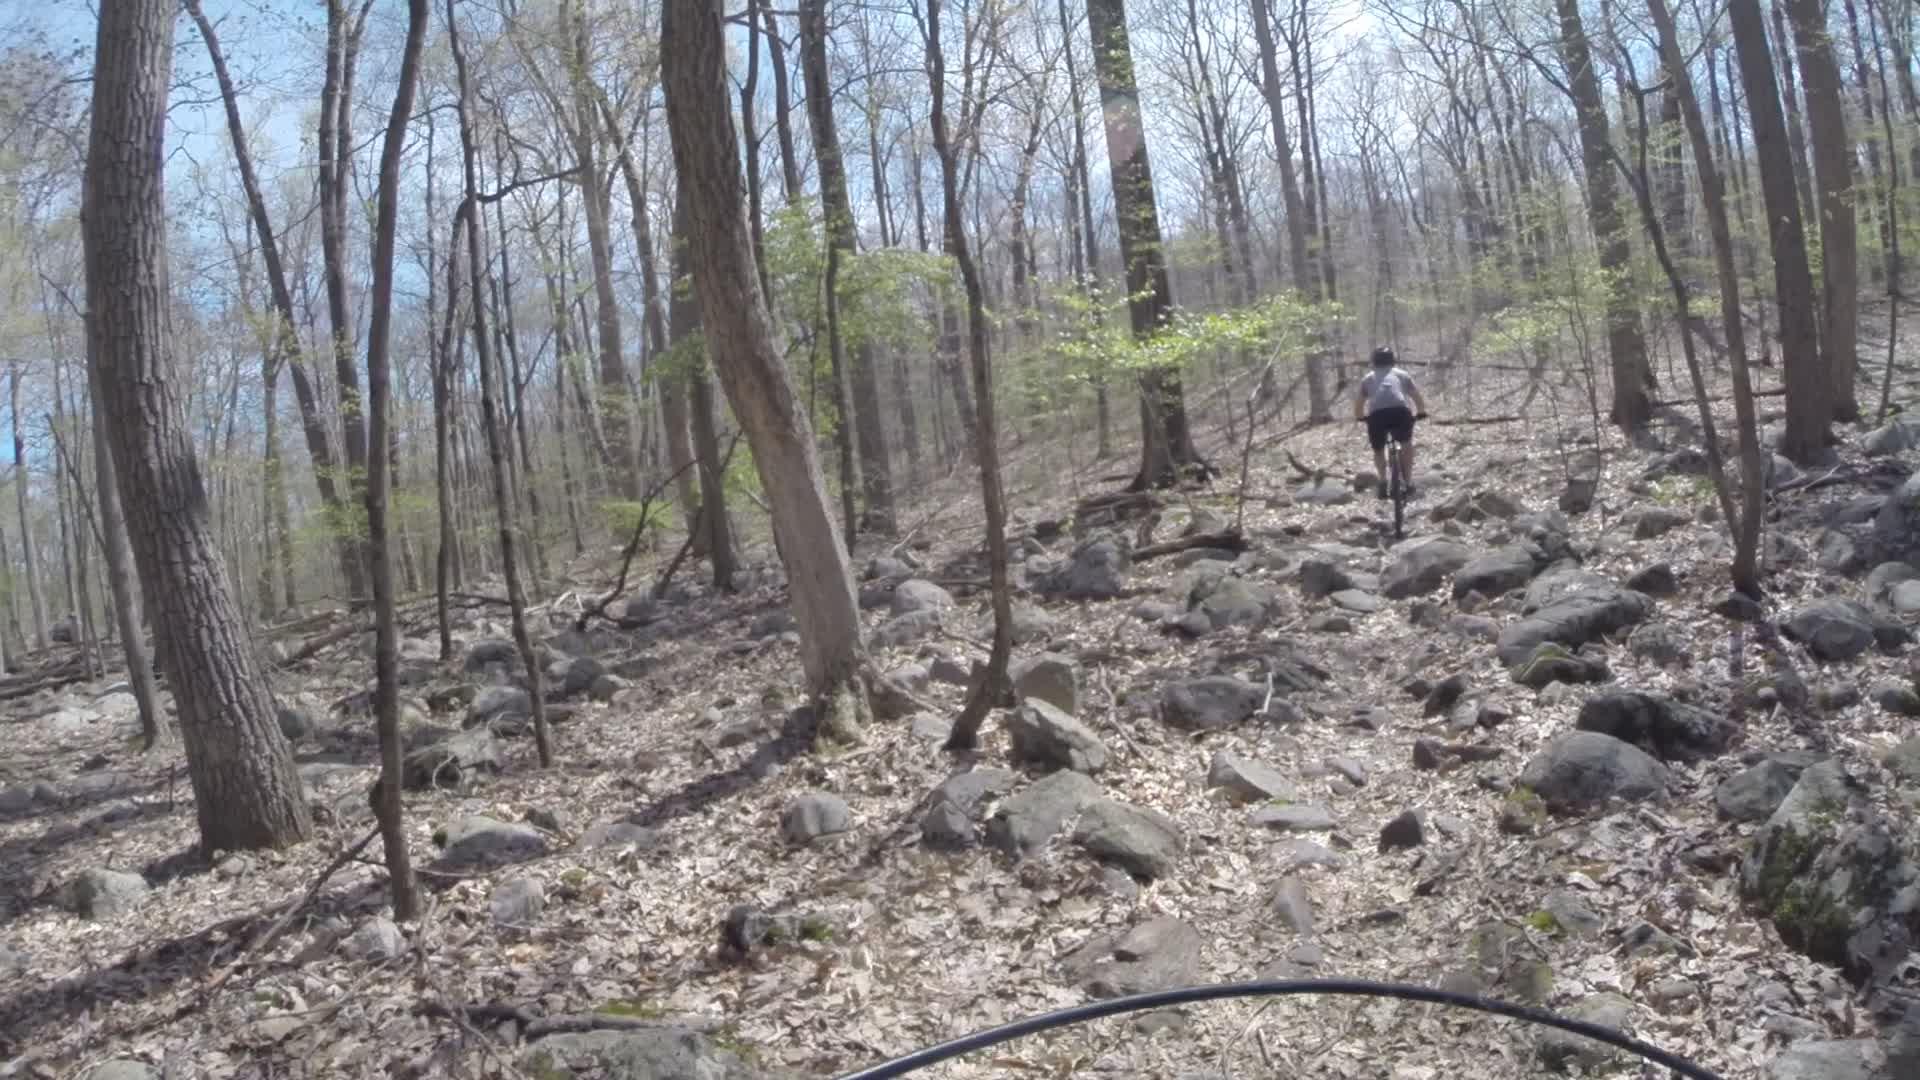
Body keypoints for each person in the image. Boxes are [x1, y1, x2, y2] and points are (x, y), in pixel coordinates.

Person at [1353, 346, 1428, 499]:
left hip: (1377, 416)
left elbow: (1359, 404)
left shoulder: (1368, 378)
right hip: (1400, 412)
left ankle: (1382, 482)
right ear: (1392, 361)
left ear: (1374, 362)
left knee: (1378, 450)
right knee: (1406, 444)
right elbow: (1416, 397)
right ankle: (1407, 483)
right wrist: (1421, 412)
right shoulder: (1402, 374)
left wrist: (1360, 417)